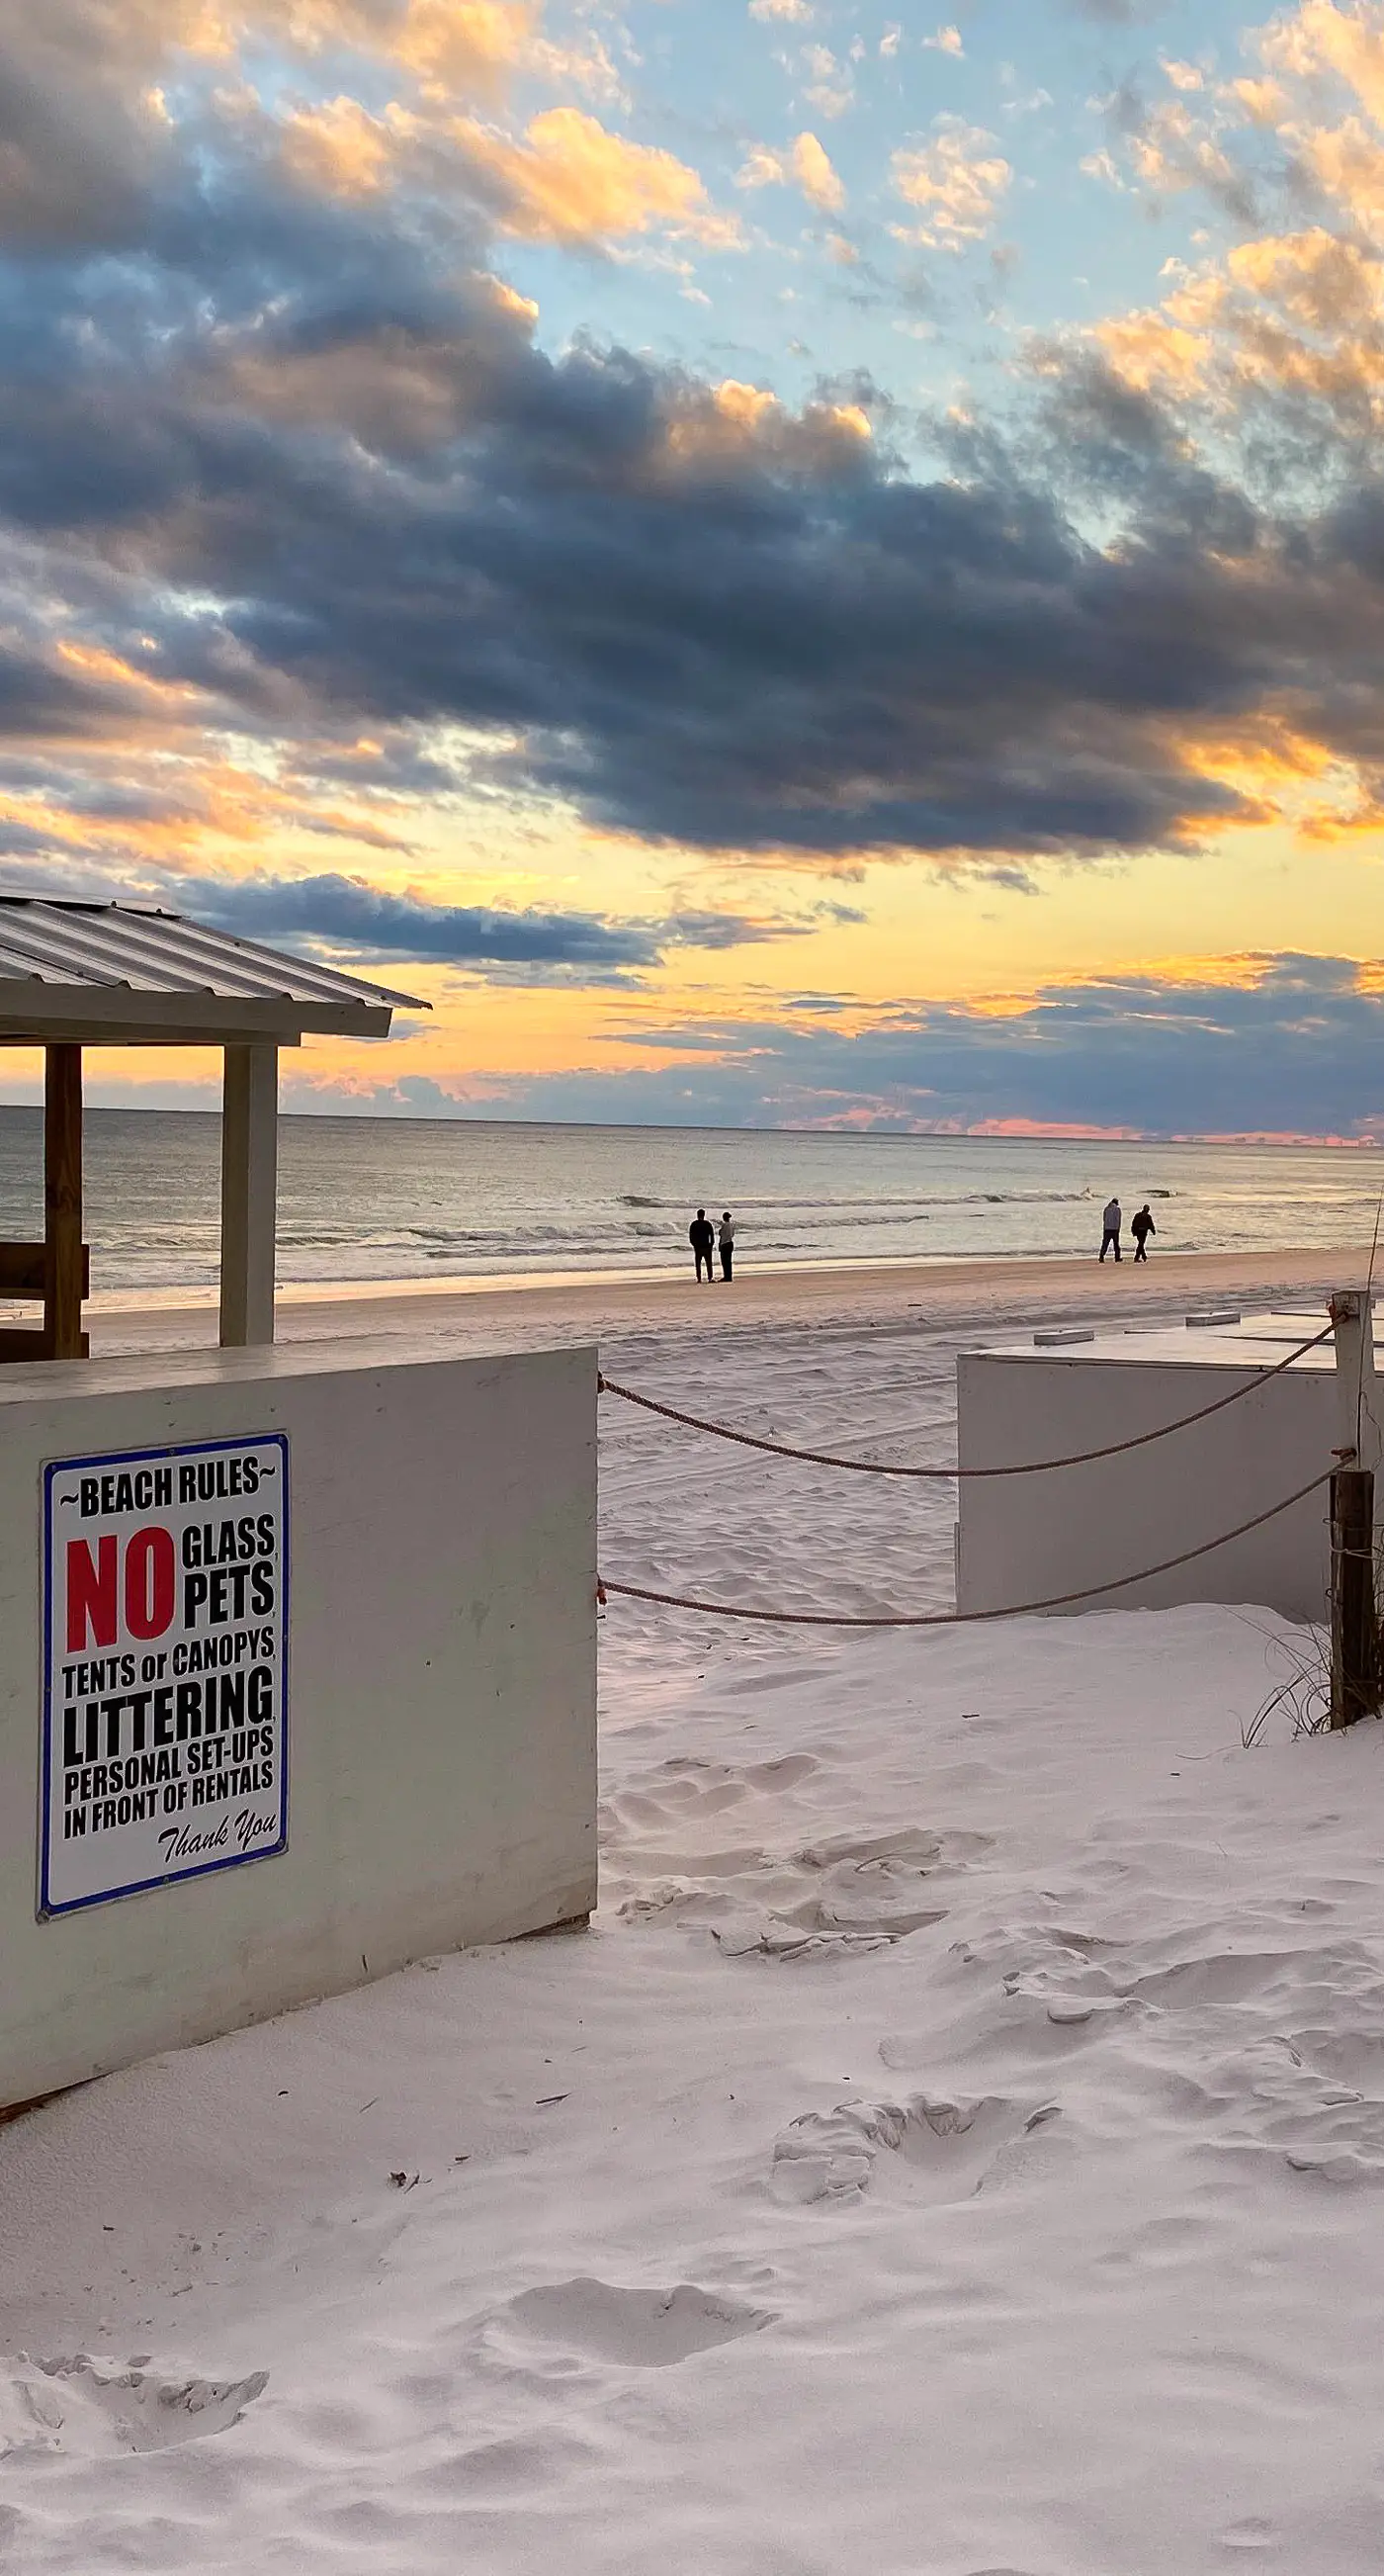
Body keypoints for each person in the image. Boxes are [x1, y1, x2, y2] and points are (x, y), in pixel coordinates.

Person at [689, 1206, 715, 1283]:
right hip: (707, 1246)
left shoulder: (694, 1224)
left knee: (698, 1263)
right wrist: (711, 1244)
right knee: (708, 1263)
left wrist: (694, 1244)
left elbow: (691, 1236)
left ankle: (699, 1278)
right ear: (704, 1215)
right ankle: (710, 1277)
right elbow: (712, 1235)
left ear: (697, 1215)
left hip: (698, 1246)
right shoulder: (707, 1224)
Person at [1099, 1196, 1122, 1263]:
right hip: (1115, 1229)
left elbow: (1104, 1218)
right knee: (1116, 1244)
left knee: (1105, 1244)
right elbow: (1118, 1220)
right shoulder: (1117, 1209)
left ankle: (1101, 1256)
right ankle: (1117, 1257)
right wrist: (1118, 1228)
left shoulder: (1106, 1209)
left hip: (1107, 1229)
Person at [718, 1210, 735, 1282]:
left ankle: (726, 1276)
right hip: (730, 1243)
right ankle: (729, 1276)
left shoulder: (724, 1225)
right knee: (729, 1261)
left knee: (724, 1261)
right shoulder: (731, 1225)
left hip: (724, 1243)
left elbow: (721, 1234)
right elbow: (732, 1234)